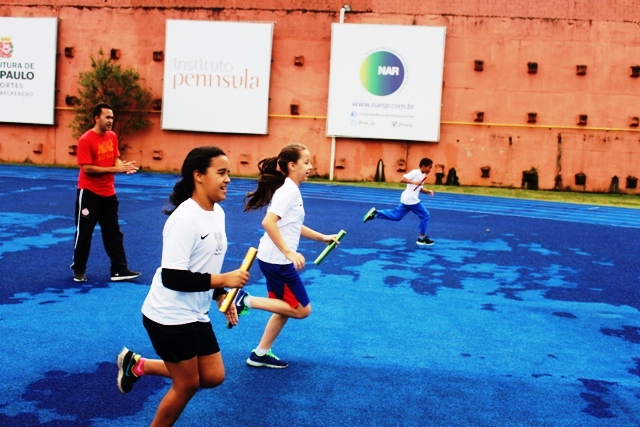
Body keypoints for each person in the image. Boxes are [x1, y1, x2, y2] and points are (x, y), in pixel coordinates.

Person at [117, 146, 249, 427]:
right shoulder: (184, 219)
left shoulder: (218, 213)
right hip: (169, 315)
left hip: (195, 312)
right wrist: (224, 279)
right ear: (198, 175)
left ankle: (139, 365)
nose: (228, 180)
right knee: (187, 385)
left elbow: (204, 267)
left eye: (229, 173)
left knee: (213, 376)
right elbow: (173, 277)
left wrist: (220, 294)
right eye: (222, 172)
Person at [237, 143, 338, 369]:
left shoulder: (290, 188)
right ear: (292, 165)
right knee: (302, 310)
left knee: (282, 307)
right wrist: (289, 251)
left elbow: (292, 224)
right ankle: (245, 301)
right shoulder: (289, 190)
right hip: (277, 262)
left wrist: (322, 237)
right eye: (306, 162)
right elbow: (268, 222)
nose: (311, 166)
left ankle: (260, 353)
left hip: (273, 259)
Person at [71, 102, 141, 282]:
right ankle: (79, 270)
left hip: (108, 193)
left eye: (112, 117)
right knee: (84, 233)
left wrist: (122, 167)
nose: (111, 120)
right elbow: (87, 168)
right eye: (107, 117)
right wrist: (114, 170)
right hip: (89, 193)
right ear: (97, 118)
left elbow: (115, 159)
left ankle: (119, 269)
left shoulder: (112, 136)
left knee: (113, 233)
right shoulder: (85, 140)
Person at [363, 157, 435, 245]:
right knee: (425, 215)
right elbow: (402, 179)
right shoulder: (416, 172)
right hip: (411, 200)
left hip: (407, 199)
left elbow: (418, 188)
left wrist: (427, 191)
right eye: (429, 167)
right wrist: (414, 183)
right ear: (424, 166)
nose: (430, 170)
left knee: (397, 216)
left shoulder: (422, 175)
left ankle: (376, 213)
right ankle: (421, 238)